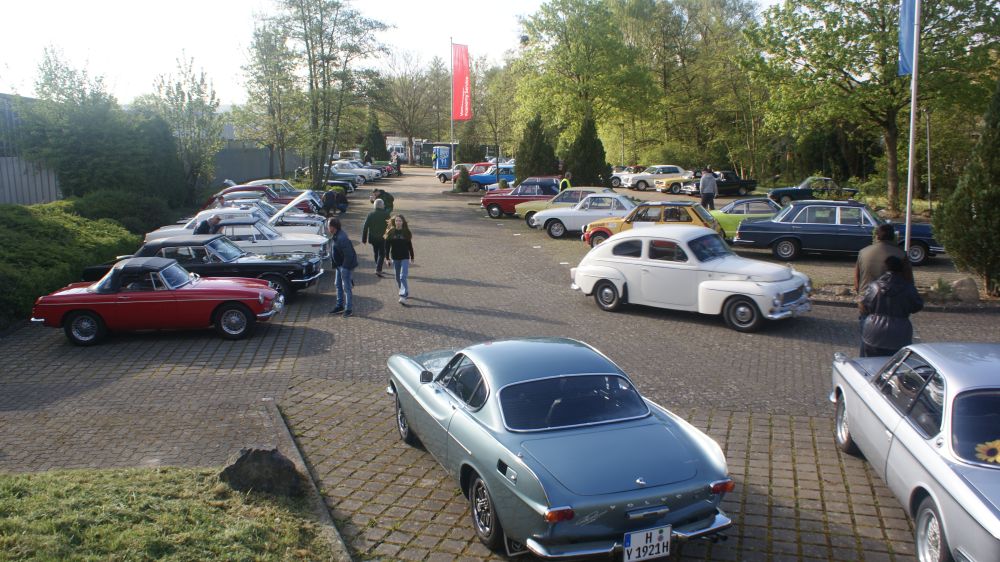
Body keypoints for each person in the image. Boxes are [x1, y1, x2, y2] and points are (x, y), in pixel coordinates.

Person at [854, 223, 913, 352]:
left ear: (877, 236)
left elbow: (857, 280)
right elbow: (909, 283)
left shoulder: (863, 252)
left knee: (867, 344)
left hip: (867, 306)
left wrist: (860, 296)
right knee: (894, 352)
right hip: (895, 308)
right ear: (893, 237)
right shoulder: (901, 254)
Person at [860, 256, 923, 357]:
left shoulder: (875, 286)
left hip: (874, 333)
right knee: (896, 365)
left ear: (885, 269)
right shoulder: (908, 288)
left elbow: (865, 305)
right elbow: (917, 306)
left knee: (868, 364)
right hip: (899, 334)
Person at [327, 217, 358, 317]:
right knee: (338, 284)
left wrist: (344, 268)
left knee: (346, 287)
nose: (327, 227)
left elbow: (349, 255)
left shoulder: (342, 238)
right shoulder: (336, 235)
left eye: (328, 225)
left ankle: (348, 309)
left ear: (333, 227)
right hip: (339, 265)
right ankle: (339, 305)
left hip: (345, 266)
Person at [384, 214, 414, 305]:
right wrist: (387, 258)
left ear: (403, 222)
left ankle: (402, 295)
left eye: (400, 221)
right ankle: (405, 291)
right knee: (397, 277)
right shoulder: (390, 232)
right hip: (395, 257)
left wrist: (412, 256)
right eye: (396, 220)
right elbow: (387, 247)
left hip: (405, 257)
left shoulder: (406, 232)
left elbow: (409, 245)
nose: (398, 222)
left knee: (402, 276)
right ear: (394, 222)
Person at [361, 198, 390, 277]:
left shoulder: (370, 214)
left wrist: (364, 239)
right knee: (382, 253)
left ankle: (378, 267)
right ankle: (378, 269)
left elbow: (365, 227)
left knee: (376, 252)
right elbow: (390, 227)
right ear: (382, 205)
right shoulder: (386, 214)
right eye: (383, 204)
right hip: (382, 238)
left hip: (373, 238)